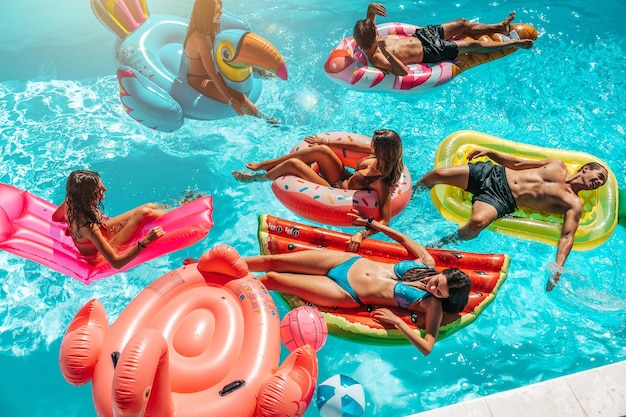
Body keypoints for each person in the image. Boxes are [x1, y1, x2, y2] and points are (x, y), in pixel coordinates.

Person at [244, 212, 471, 355]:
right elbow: (401, 238)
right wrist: (368, 226)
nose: (433, 288)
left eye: (439, 292)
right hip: (349, 262)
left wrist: (398, 323)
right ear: (443, 272)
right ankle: (224, 265)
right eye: (437, 282)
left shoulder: (432, 306)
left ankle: (236, 295)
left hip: (347, 292)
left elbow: (427, 347)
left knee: (272, 279)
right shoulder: (426, 261)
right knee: (271, 261)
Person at [417, 149, 609, 291]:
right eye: (599, 176)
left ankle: (443, 242)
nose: (599, 182)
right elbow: (517, 163)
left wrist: (558, 268)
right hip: (494, 173)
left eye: (602, 182)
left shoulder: (573, 204)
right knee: (436, 175)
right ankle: (411, 199)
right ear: (585, 169)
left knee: (477, 223)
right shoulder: (556, 165)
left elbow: (567, 236)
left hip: (502, 199)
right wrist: (490, 153)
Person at [232, 129, 404, 250]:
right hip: (343, 177)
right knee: (321, 150)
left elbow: (384, 222)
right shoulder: (376, 156)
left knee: (294, 165)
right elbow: (361, 147)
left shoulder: (381, 183)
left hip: (334, 191)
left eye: (374, 144)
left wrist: (363, 232)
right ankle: (266, 164)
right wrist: (325, 141)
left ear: (383, 152)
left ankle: (256, 178)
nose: (371, 145)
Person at [353, 3, 534, 76]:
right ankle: (514, 43)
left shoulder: (370, 37)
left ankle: (498, 27)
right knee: (473, 45)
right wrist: (386, 51)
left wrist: (370, 10)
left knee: (462, 23)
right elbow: (403, 73)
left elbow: (369, 25)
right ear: (373, 40)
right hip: (431, 51)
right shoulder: (377, 57)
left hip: (422, 36)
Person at [184, 0, 276, 123]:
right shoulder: (200, 40)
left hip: (215, 67)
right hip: (200, 79)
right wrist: (230, 99)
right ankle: (268, 121)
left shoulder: (210, 30)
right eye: (217, 11)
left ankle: (268, 77)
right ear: (206, 14)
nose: (221, 13)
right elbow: (212, 74)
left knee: (252, 65)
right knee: (241, 99)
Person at [52, 170, 166, 269]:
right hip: (99, 256)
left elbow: (56, 217)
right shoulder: (88, 226)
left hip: (102, 232)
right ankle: (176, 214)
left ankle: (177, 206)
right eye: (99, 189)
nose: (105, 189)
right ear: (87, 195)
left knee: (149, 206)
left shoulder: (72, 201)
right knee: (144, 213)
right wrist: (145, 241)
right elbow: (116, 263)